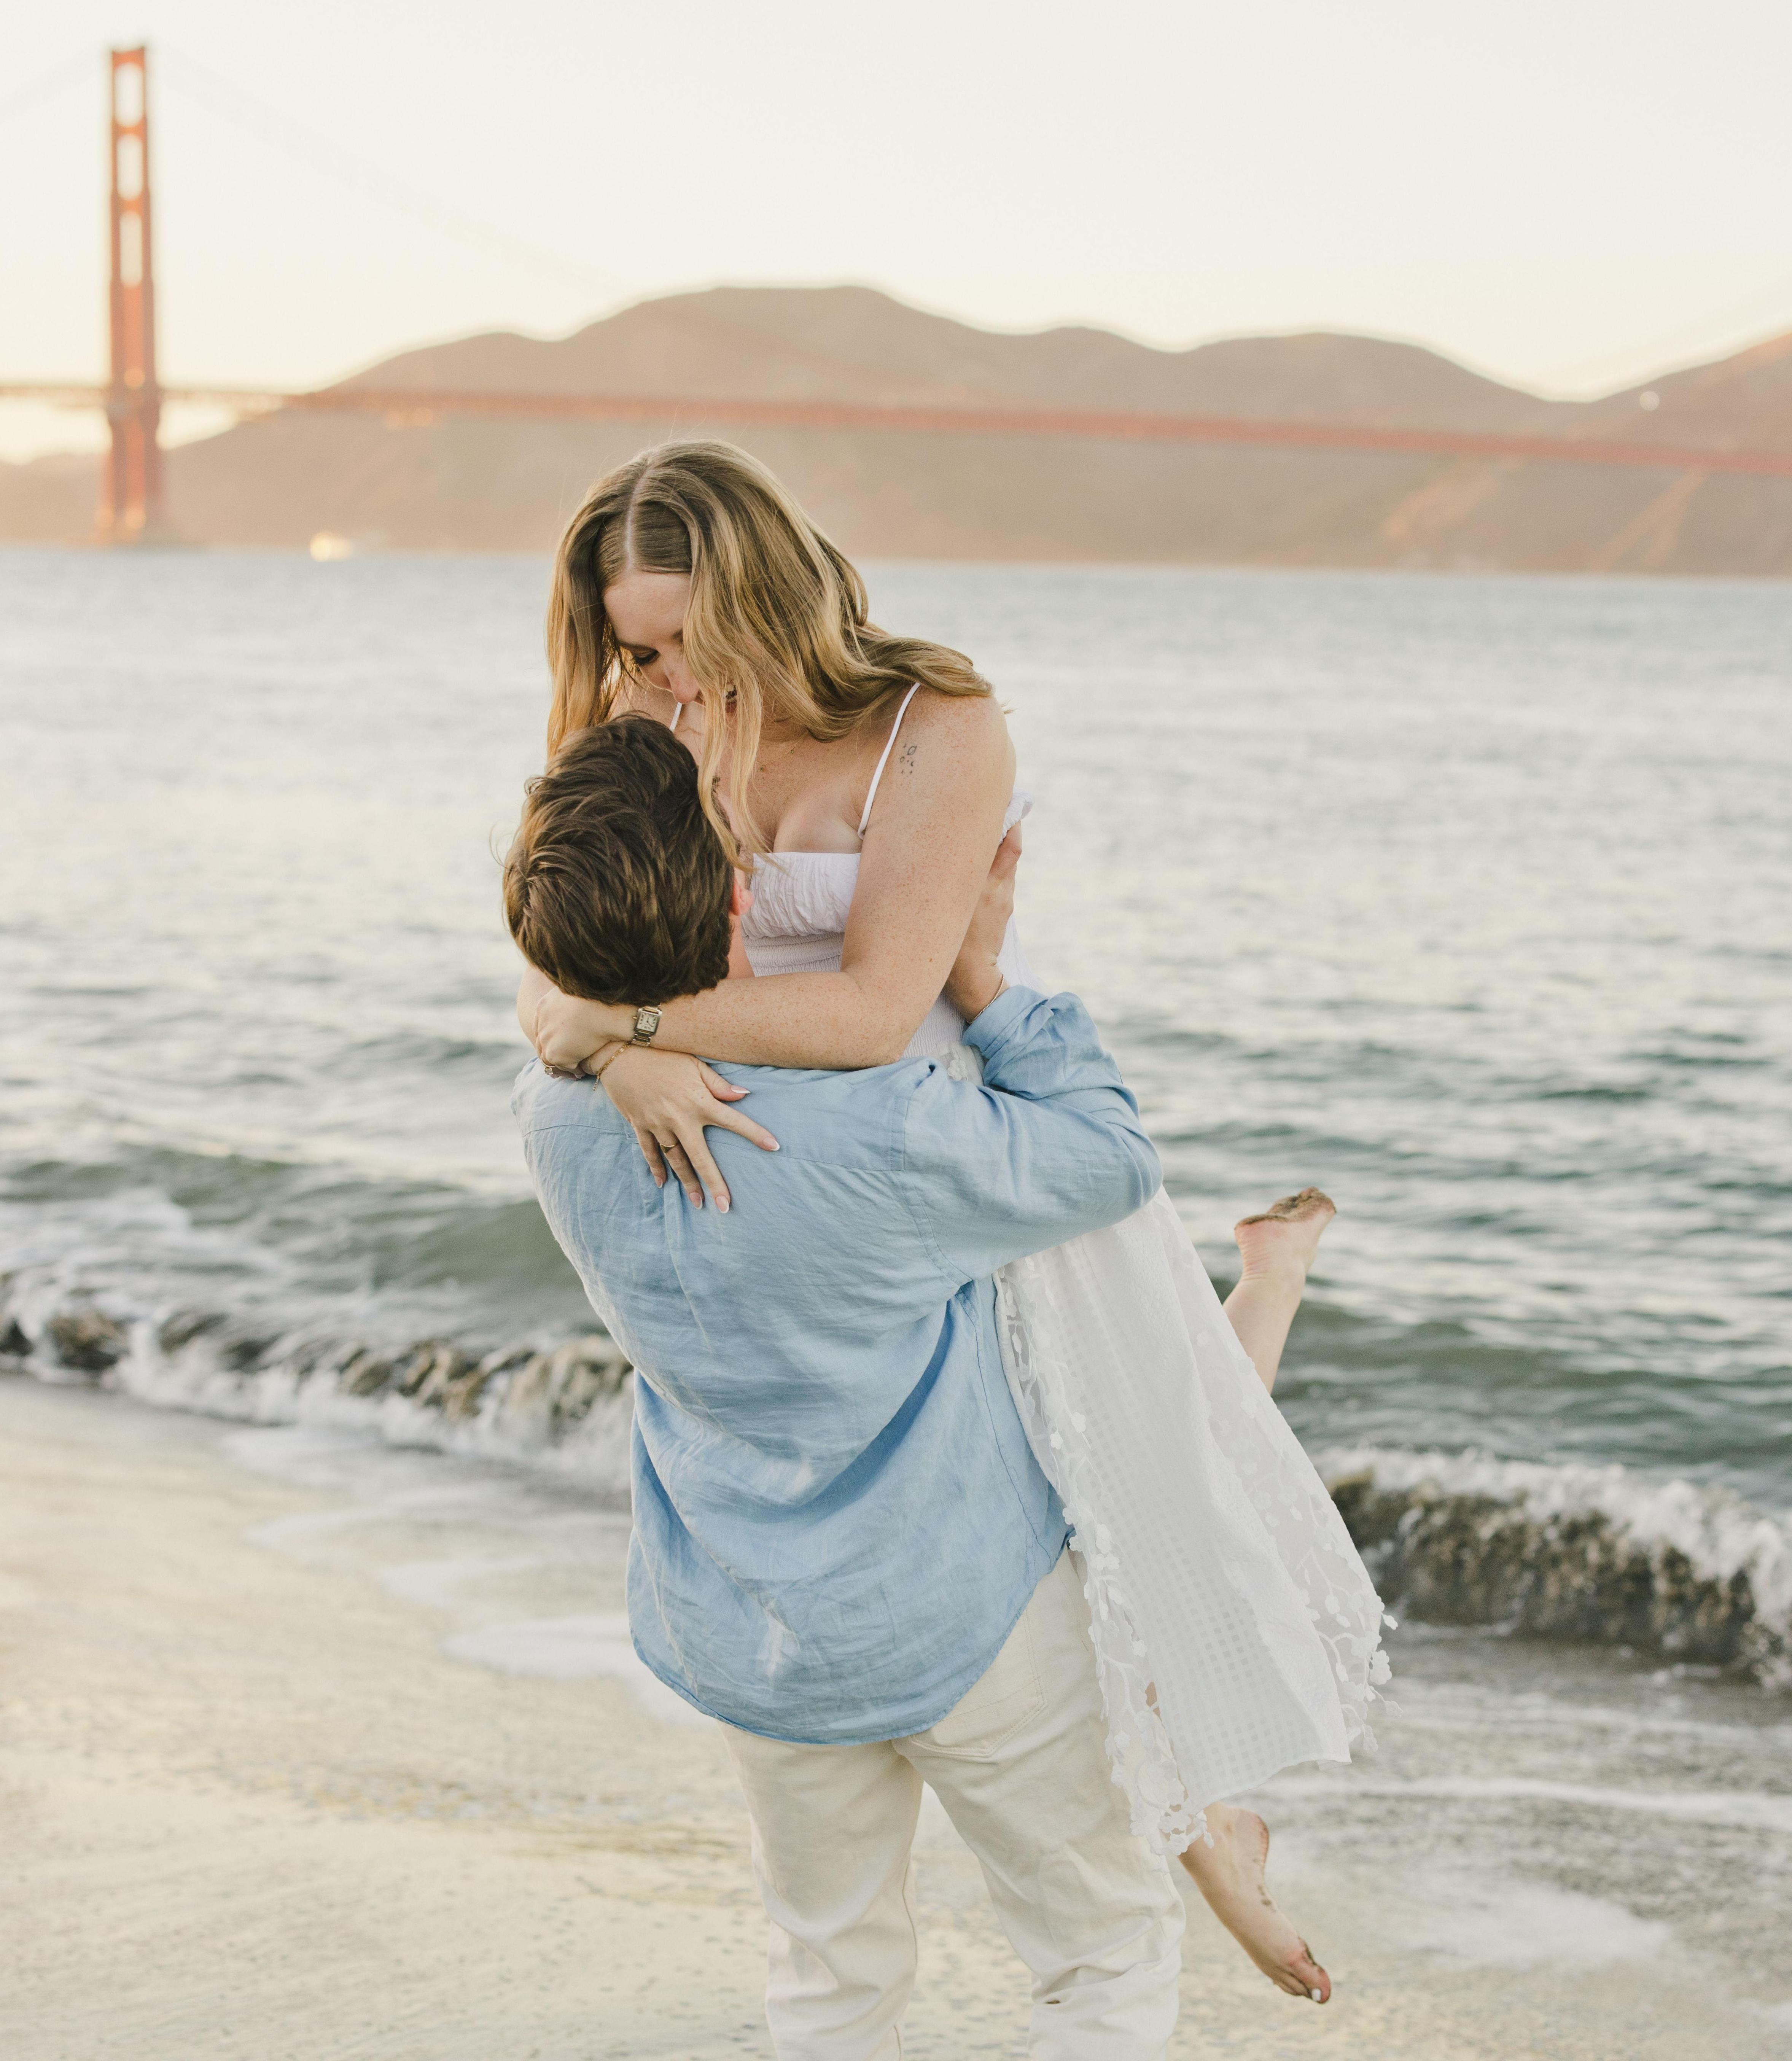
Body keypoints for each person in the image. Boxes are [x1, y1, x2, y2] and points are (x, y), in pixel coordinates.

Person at [519, 442, 1388, 2002]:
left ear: (765, 592)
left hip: (920, 1146)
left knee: (1144, 1449)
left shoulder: (931, 730)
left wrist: (632, 1028)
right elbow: (550, 957)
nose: (658, 678)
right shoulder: (636, 721)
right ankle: (1208, 1841)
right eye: (630, 645)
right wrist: (612, 1045)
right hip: (831, 1174)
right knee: (1062, 1539)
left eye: (679, 637)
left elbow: (865, 1008)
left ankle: (1215, 1839)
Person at [508, 713, 1183, 2054]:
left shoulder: (555, 1115)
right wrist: (984, 978)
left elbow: (551, 1031)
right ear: (747, 891)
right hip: (960, 1609)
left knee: (828, 1972)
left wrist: (607, 1034)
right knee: (1100, 1949)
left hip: (748, 1613)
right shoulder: (881, 1123)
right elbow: (1108, 1157)